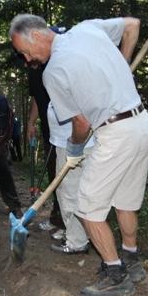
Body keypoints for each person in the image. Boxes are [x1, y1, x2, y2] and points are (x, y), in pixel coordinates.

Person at [9, 14, 148, 296]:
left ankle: (115, 275)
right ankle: (131, 259)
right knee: (125, 202)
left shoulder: (53, 71)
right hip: (141, 124)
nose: (27, 59)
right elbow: (132, 25)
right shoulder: (88, 28)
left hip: (115, 134)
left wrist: (74, 147)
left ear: (36, 35)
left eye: (25, 52)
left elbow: (81, 124)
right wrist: (124, 62)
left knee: (87, 208)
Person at [47, 102, 94, 254]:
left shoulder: (63, 86)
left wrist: (74, 147)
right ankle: (82, 235)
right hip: (78, 142)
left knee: (69, 194)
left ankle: (76, 242)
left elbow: (81, 120)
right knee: (78, 192)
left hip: (73, 144)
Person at [26, 63, 64, 233]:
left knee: (64, 178)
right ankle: (57, 219)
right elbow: (36, 97)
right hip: (49, 132)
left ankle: (68, 225)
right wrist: (31, 122)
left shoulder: (55, 63)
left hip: (65, 132)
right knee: (53, 175)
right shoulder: (32, 71)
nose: (26, 60)